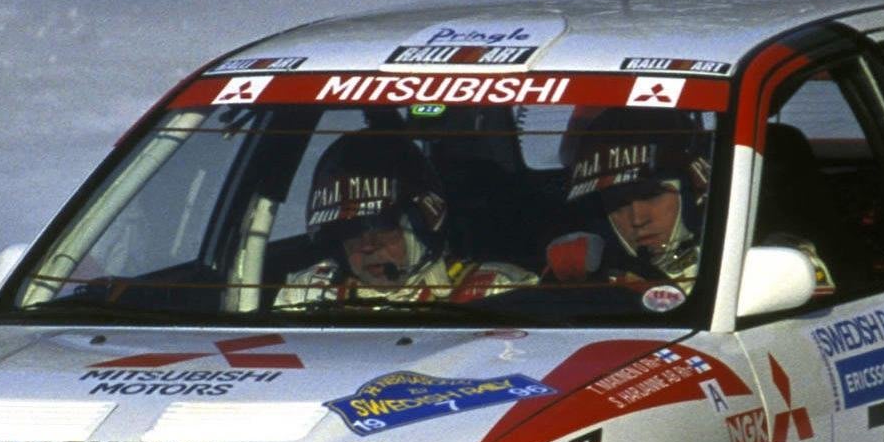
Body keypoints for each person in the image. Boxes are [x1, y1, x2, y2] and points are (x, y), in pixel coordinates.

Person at [275, 133, 534, 309]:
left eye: (383, 227)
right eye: (351, 231)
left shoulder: (496, 290)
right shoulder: (307, 292)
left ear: (421, 229)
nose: (368, 246)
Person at [554, 108, 715, 291]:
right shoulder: (591, 283)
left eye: (651, 195)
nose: (637, 219)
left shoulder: (728, 266)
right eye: (618, 203)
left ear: (692, 196)